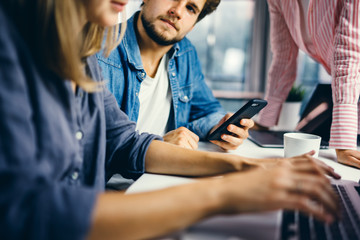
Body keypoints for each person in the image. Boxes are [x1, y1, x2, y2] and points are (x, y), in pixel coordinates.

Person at [0, 0, 340, 239]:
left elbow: (127, 141)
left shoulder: (82, 54)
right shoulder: (90, 46)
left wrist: (249, 168)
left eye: (192, 8)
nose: (178, 11)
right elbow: (28, 211)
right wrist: (222, 193)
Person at [97, 0, 253, 151]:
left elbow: (207, 110)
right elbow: (94, 141)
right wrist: (157, 146)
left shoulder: (185, 53)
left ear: (193, 25)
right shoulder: (98, 50)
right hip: (109, 177)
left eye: (191, 8)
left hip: (162, 173)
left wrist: (222, 127)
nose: (177, 11)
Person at [255, 0, 360, 169]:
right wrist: (264, 120)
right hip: (350, 88)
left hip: (352, 82)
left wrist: (344, 141)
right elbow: (283, 57)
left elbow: (348, 54)